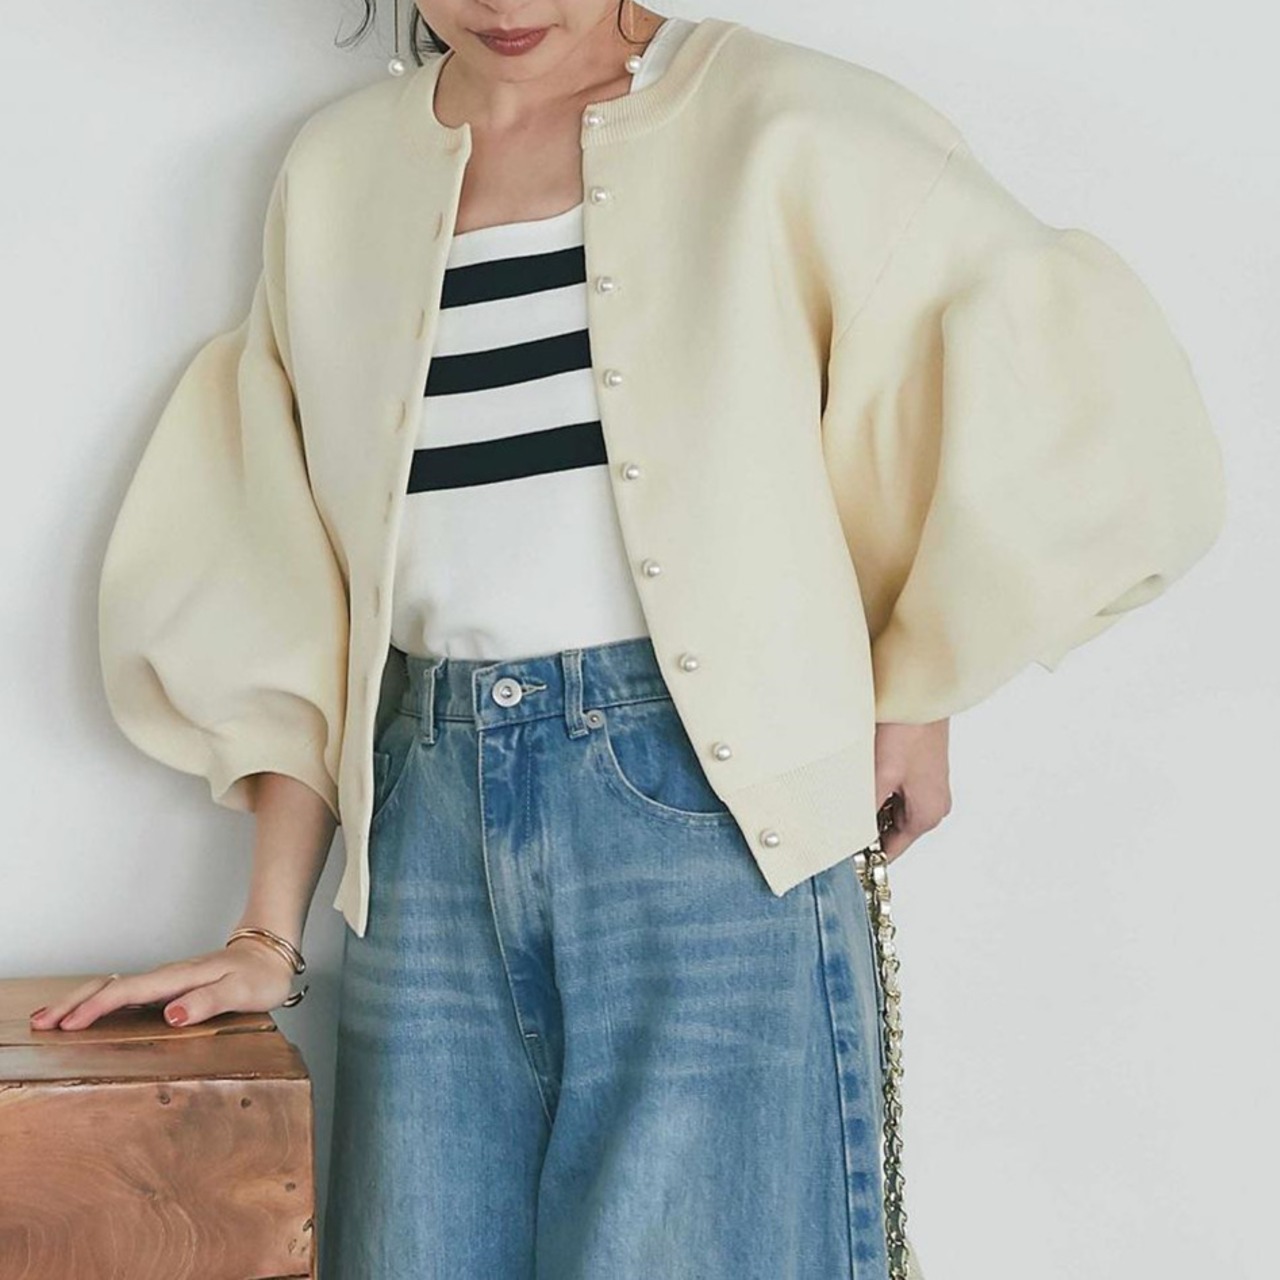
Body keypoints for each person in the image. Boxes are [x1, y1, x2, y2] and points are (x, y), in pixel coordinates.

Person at [32, 3, 1225, 1277]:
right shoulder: (337, 172)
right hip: (421, 837)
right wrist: (265, 933)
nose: (505, 4)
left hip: (711, 821)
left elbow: (1038, 372)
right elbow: (283, 571)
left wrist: (919, 679)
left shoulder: (784, 120)